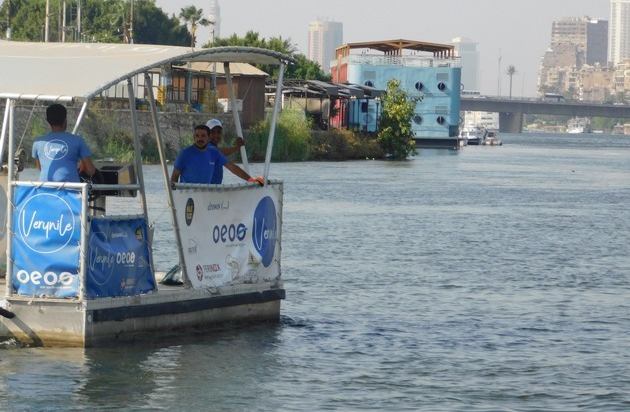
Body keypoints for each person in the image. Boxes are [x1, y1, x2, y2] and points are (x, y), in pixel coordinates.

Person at [170, 124, 261, 185]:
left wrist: (251, 180)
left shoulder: (214, 153)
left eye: (203, 136)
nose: (200, 139)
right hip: (187, 196)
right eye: (197, 136)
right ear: (194, 138)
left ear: (208, 137)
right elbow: (175, 176)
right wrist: (174, 195)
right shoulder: (185, 154)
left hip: (207, 195)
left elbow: (232, 167)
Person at [32, 103, 96, 182]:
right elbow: (90, 171)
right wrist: (84, 166)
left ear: (47, 120)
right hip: (70, 191)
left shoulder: (38, 142)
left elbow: (41, 168)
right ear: (65, 119)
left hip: (45, 189)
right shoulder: (78, 141)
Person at [206, 119, 246, 184]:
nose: (216, 135)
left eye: (218, 132)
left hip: (214, 190)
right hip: (206, 191)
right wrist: (237, 148)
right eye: (212, 132)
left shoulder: (214, 149)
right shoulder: (207, 148)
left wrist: (237, 147)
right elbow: (221, 152)